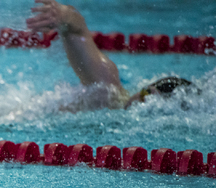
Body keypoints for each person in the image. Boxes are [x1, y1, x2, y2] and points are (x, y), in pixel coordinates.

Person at [26, 0, 196, 109]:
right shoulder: (108, 89)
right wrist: (62, 14)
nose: (143, 103)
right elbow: (78, 29)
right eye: (145, 94)